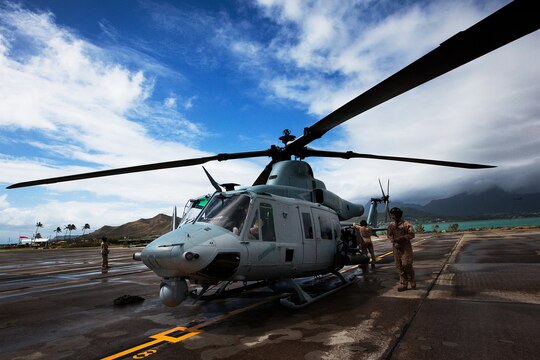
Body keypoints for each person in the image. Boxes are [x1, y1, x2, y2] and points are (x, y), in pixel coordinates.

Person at [387, 207, 416, 291]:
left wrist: (401, 238)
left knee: (406, 264)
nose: (393, 217)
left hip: (405, 247)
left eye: (394, 215)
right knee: (399, 266)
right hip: (396, 248)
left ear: (399, 215)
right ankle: (403, 284)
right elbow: (389, 235)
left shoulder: (406, 224)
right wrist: (394, 241)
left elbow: (412, 234)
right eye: (392, 215)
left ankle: (412, 279)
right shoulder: (391, 225)